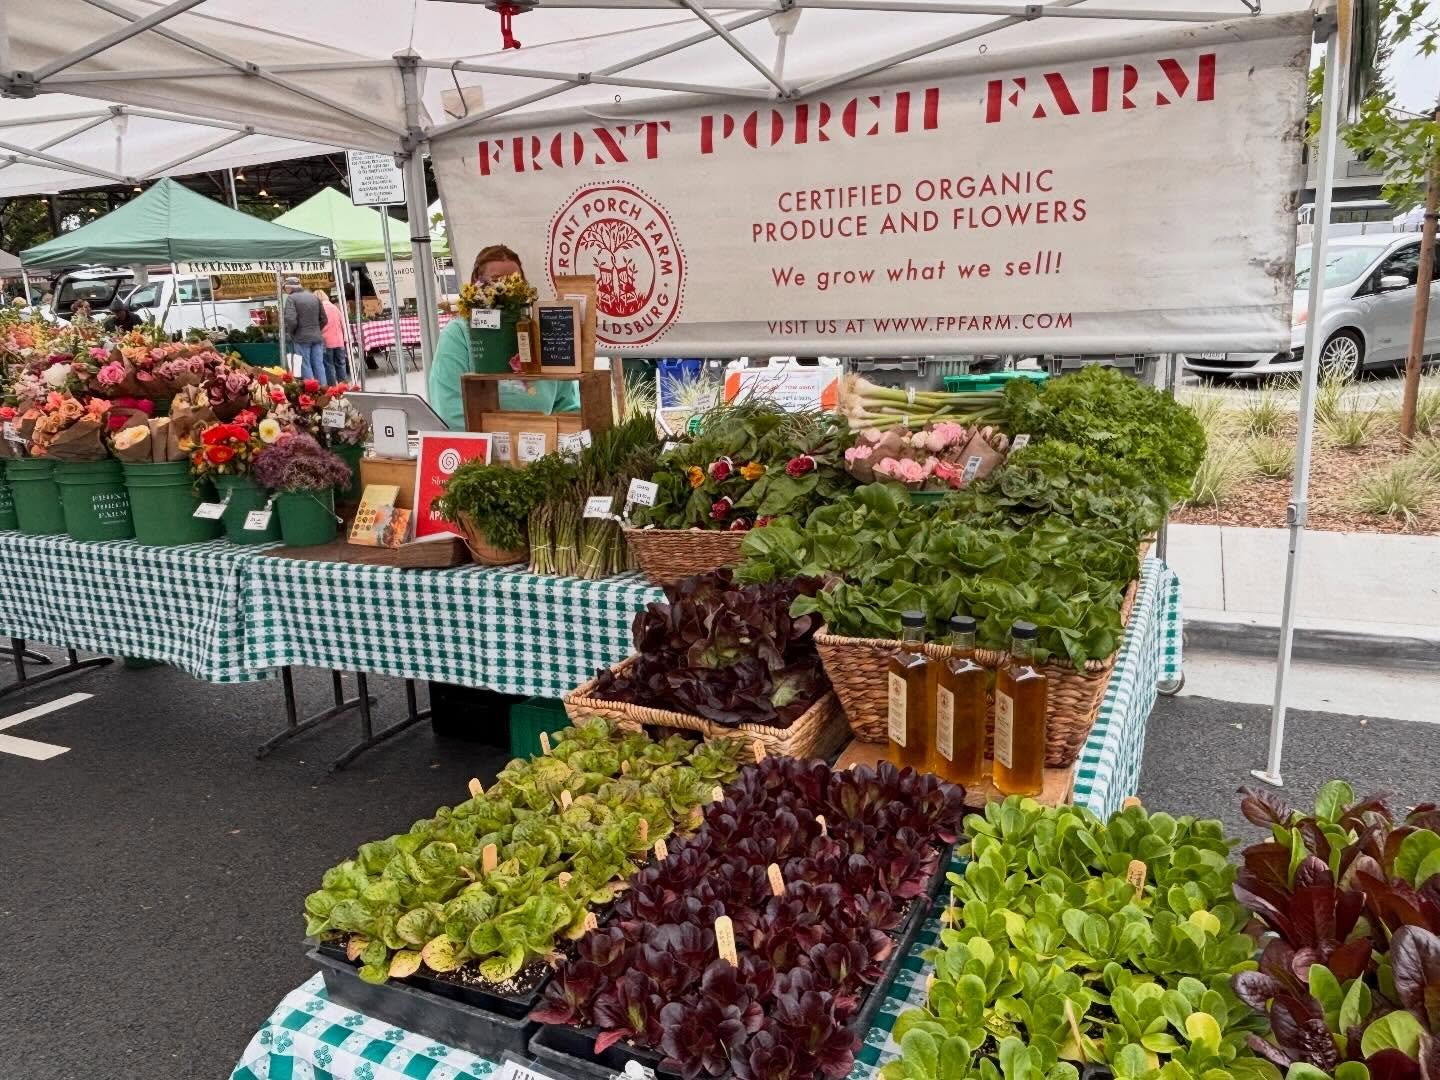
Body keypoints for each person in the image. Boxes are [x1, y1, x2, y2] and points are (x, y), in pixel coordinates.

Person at [428, 244, 580, 430]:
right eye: (497, 281)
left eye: (515, 282)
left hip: (541, 448)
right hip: (482, 451)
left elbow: (566, 404)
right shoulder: (458, 334)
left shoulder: (540, 334)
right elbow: (449, 411)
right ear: (477, 286)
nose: (508, 290)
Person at [282, 276, 328, 382]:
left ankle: (312, 392)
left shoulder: (291, 298)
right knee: (319, 365)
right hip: (317, 337)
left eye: (285, 289)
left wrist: (293, 333)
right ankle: (325, 392)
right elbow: (324, 319)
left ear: (289, 287)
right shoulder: (313, 297)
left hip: (301, 338)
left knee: (305, 365)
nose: (286, 291)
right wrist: (316, 329)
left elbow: (291, 319)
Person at [315, 288, 348, 386]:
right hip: (339, 340)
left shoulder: (318, 309)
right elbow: (343, 323)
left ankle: (333, 388)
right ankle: (343, 387)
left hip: (326, 341)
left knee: (329, 366)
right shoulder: (334, 307)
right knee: (341, 364)